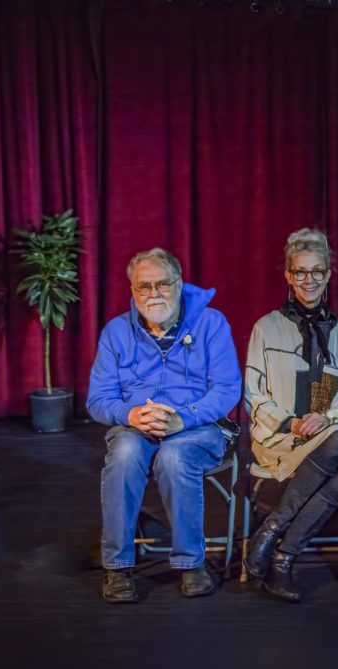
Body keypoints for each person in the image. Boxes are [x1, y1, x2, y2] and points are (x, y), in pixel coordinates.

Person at [88, 248, 241, 603]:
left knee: (174, 457)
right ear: (132, 290)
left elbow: (227, 389)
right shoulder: (116, 332)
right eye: (143, 287)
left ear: (179, 283)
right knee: (124, 453)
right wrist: (130, 415)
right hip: (136, 425)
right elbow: (97, 399)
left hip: (197, 425)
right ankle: (118, 566)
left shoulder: (211, 323)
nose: (153, 294)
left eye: (162, 284)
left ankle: (191, 563)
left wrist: (183, 417)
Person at [242, 229, 338, 602]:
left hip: (325, 435)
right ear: (288, 276)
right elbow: (254, 395)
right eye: (300, 272)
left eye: (317, 272)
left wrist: (328, 416)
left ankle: (276, 544)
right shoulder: (266, 327)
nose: (309, 280)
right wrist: (291, 422)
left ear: (328, 275)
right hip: (280, 440)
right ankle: (280, 548)